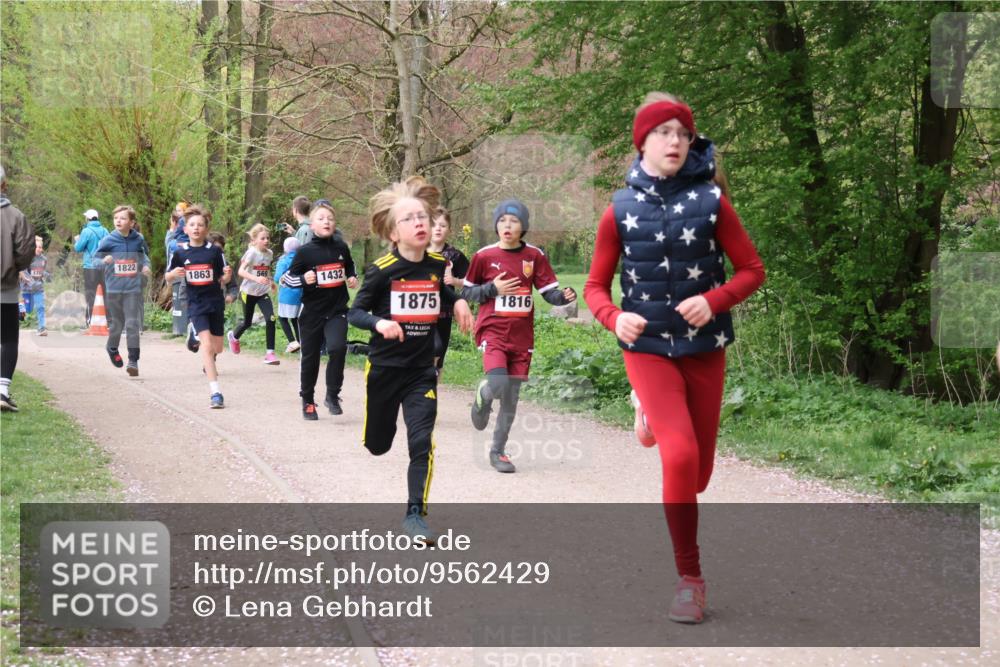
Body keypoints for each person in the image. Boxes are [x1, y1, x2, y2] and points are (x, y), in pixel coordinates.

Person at [583, 92, 765, 624]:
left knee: (699, 475)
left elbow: (752, 270)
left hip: (703, 351)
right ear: (642, 141)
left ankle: (648, 417)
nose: (675, 142)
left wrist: (713, 301)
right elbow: (595, 287)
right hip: (646, 350)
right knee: (680, 458)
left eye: (683, 134)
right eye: (664, 133)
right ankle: (690, 579)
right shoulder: (618, 209)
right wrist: (614, 318)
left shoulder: (711, 201)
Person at [348, 176, 473, 543]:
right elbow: (355, 313)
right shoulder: (381, 269)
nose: (421, 223)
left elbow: (443, 293)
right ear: (392, 232)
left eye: (424, 216)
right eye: (410, 219)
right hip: (385, 369)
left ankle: (415, 514)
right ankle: (377, 435)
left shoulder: (436, 265)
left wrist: (460, 299)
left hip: (421, 370)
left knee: (422, 442)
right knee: (378, 445)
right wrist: (380, 322)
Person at [461, 199, 576, 474]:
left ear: (523, 226)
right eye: (502, 221)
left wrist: (563, 297)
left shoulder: (534, 255)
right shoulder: (484, 256)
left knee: (511, 398)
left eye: (513, 221)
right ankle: (484, 393)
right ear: (496, 225)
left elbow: (548, 291)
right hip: (493, 329)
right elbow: (467, 292)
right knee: (498, 382)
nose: (507, 226)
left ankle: (497, 452)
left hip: (522, 336)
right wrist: (492, 289)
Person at [281, 201, 357, 418]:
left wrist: (352, 277)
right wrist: (304, 279)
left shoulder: (341, 247)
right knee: (310, 357)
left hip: (336, 310)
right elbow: (287, 279)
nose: (327, 221)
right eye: (321, 218)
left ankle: (332, 395)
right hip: (312, 312)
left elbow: (349, 266)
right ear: (311, 225)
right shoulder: (304, 252)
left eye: (330, 219)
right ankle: (307, 400)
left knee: (337, 348)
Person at [166, 205, 232, 409]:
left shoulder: (214, 251)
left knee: (218, 348)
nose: (196, 228)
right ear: (185, 229)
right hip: (195, 304)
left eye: (200, 225)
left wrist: (227, 277)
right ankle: (215, 392)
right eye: (191, 225)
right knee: (207, 346)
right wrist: (173, 275)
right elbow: (167, 277)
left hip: (215, 303)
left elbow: (224, 277)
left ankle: (194, 335)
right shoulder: (179, 252)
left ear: (206, 228)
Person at [97, 206, 151, 376]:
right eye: (116, 218)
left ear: (132, 222)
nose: (118, 221)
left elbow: (144, 256)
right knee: (117, 325)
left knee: (132, 324)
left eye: (123, 218)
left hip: (132, 289)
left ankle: (133, 360)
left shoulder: (138, 239)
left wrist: (146, 266)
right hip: (114, 289)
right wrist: (103, 260)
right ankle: (112, 348)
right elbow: (95, 260)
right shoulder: (108, 240)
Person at [1, 164, 35, 412]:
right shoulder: (16, 216)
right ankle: (2, 391)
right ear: (4, 184)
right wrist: (14, 268)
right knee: (8, 340)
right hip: (6, 289)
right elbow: (25, 251)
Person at [228, 223, 280, 365]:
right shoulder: (251, 253)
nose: (266, 241)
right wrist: (257, 278)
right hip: (248, 292)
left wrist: (271, 281)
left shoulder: (269, 254)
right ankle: (233, 336)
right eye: (262, 238)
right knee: (247, 322)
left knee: (271, 319)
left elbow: (265, 269)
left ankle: (270, 353)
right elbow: (241, 271)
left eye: (268, 238)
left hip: (262, 292)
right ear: (255, 240)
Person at [429, 207, 469, 373]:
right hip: (419, 313)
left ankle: (432, 393)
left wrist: (454, 280)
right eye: (434, 224)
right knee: (434, 349)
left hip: (444, 313)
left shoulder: (455, 256)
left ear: (449, 230)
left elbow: (472, 281)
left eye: (443, 225)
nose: (438, 228)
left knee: (439, 359)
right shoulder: (418, 252)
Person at [74, 208, 109, 326]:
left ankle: (89, 320)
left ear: (88, 218)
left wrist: (77, 240)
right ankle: (108, 320)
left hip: (90, 266)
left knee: (90, 294)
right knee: (105, 293)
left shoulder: (86, 231)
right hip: (103, 265)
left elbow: (78, 248)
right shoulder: (105, 230)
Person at [273, 236, 303, 353]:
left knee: (282, 318)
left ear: (285, 248)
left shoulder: (284, 261)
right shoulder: (302, 259)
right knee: (295, 319)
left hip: (287, 295)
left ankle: (292, 342)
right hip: (300, 294)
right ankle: (300, 342)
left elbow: (277, 278)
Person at [167, 201, 192, 336]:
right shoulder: (175, 244)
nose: (178, 212)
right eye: (176, 210)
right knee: (183, 298)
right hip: (179, 274)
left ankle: (189, 328)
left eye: (180, 210)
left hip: (183, 273)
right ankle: (186, 328)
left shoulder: (183, 222)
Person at [20, 236, 49, 336]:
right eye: (37, 247)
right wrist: (31, 282)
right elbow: (23, 272)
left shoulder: (44, 259)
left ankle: (42, 328)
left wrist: (46, 275)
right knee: (26, 310)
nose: (39, 249)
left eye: (41, 247)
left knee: (40, 307)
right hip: (27, 288)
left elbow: (42, 270)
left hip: (38, 288)